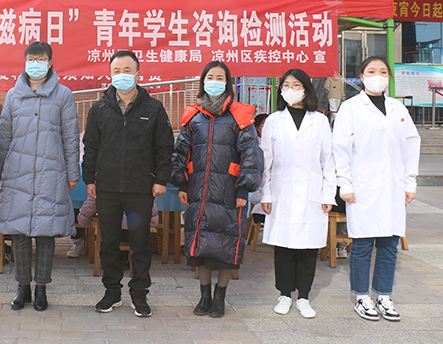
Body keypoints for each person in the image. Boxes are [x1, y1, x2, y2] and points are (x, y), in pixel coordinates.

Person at [82, 50, 174, 317]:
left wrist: (160, 180)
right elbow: (90, 147)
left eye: (127, 70)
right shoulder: (99, 108)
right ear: (110, 74)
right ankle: (111, 293)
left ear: (137, 74)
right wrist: (90, 179)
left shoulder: (153, 108)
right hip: (107, 188)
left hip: (140, 189)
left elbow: (165, 147)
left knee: (140, 243)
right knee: (108, 243)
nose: (121, 75)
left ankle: (139, 294)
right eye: (116, 71)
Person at [172, 60, 262, 318]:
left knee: (225, 245)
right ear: (203, 81)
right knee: (200, 245)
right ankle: (204, 296)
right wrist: (182, 183)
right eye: (210, 77)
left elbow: (251, 154)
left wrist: (244, 190)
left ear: (228, 82)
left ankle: (220, 296)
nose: (214, 81)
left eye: (220, 77)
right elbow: (180, 152)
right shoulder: (193, 116)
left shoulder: (240, 115)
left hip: (229, 193)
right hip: (198, 191)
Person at [333, 56, 420, 322]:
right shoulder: (350, 108)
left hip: (393, 186)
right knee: (362, 244)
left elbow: (411, 144)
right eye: (371, 71)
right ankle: (361, 296)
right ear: (361, 76)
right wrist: (345, 184)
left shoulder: (397, 108)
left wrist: (410, 181)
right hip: (363, 187)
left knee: (389, 244)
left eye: (383, 71)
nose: (378, 76)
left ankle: (384, 295)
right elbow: (340, 148)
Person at [0, 41, 80, 311]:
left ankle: (41, 288)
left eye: (41, 59)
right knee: (19, 231)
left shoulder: (63, 95)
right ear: (24, 62)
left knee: (46, 232)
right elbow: (5, 136)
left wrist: (72, 172)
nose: (36, 64)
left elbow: (70, 136)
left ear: (50, 62)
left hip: (50, 171)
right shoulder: (13, 95)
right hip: (18, 172)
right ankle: (22, 287)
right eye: (31, 59)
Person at [260, 69, 336, 319]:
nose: (290, 90)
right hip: (281, 193)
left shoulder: (320, 121)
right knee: (283, 246)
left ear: (306, 89)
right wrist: (266, 194)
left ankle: (303, 296)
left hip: (312, 193)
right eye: (286, 85)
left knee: (307, 246)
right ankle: (284, 294)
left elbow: (328, 161)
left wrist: (328, 195)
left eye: (296, 85)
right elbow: (266, 162)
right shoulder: (274, 121)